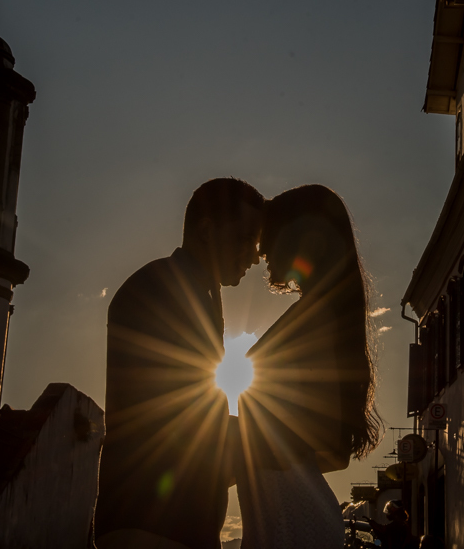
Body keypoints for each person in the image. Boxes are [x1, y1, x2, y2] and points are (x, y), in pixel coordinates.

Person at [94, 178, 265, 549]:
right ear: (207, 231)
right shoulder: (160, 291)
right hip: (150, 527)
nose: (254, 256)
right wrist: (272, 439)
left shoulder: (196, 291)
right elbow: (182, 417)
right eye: (245, 239)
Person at [236, 185, 383, 549]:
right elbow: (332, 453)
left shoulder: (316, 319)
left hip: (290, 515)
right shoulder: (324, 315)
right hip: (287, 508)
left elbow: (319, 443)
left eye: (268, 238)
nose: (261, 250)